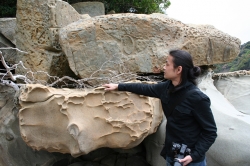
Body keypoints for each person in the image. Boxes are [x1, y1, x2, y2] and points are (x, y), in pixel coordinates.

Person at [103, 49, 217, 166]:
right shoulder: (167, 88)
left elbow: (210, 131)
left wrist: (195, 155)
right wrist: (118, 86)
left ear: (178, 69)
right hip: (172, 154)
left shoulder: (198, 98)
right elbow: (144, 88)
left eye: (167, 64)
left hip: (191, 160)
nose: (164, 67)